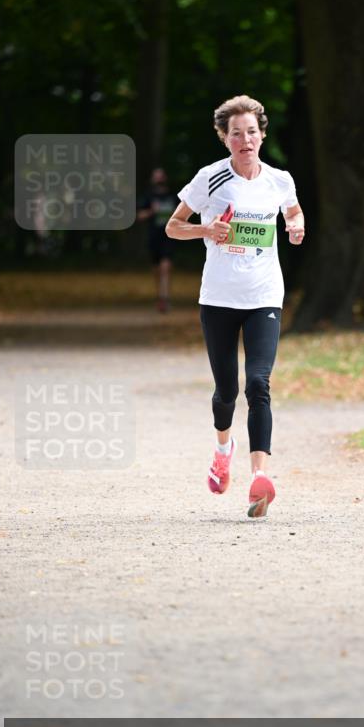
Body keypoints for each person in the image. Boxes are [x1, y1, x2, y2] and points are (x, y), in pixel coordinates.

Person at [165, 95, 305, 518]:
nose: (245, 139)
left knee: (258, 383)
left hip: (264, 296)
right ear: (224, 139)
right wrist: (207, 229)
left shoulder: (279, 180)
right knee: (226, 391)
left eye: (251, 131)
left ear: (262, 134)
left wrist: (295, 227)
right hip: (219, 298)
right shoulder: (210, 178)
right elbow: (173, 227)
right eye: (236, 133)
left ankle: (260, 479)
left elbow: (294, 213)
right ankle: (222, 450)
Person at [137, 168, 178, 313]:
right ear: (152, 180)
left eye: (161, 177)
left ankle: (165, 298)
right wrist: (151, 211)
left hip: (169, 236)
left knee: (166, 266)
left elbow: (182, 215)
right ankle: (159, 295)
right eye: (157, 177)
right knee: (156, 269)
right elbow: (140, 216)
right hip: (153, 237)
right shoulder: (148, 196)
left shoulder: (173, 196)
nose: (159, 180)